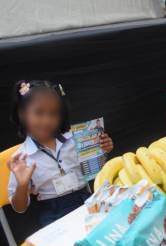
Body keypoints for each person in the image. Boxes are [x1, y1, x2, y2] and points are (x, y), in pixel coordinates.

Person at [7, 80, 114, 226]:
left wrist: (103, 150)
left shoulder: (75, 139)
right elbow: (19, 208)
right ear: (22, 114)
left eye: (54, 113)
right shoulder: (20, 160)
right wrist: (22, 184)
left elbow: (96, 169)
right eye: (39, 112)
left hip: (86, 200)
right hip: (53, 213)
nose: (47, 120)